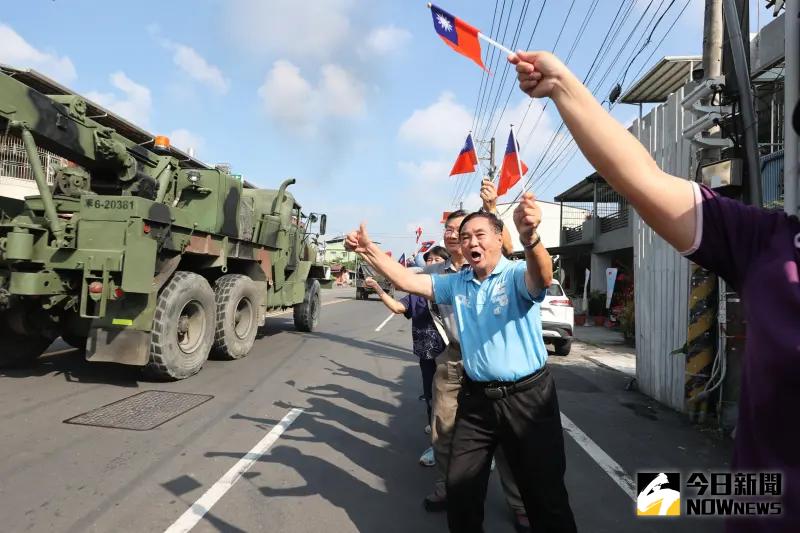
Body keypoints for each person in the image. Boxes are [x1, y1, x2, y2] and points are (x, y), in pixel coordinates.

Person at [509, 49, 800, 531]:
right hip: (763, 505)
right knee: (659, 494)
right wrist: (561, 85)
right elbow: (644, 180)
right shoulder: (770, 242)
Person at [345, 194, 576, 532]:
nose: (470, 242)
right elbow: (406, 281)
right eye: (465, 237)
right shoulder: (456, 284)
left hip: (528, 398)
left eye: (480, 235)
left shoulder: (513, 275)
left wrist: (531, 238)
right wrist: (369, 250)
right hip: (477, 398)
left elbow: (541, 277)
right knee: (461, 488)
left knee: (545, 495)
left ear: (499, 238)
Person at [364, 245, 450, 466]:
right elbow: (397, 307)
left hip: (454, 353)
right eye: (429, 259)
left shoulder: (454, 285)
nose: (432, 262)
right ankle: (437, 447)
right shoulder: (415, 293)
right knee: (432, 397)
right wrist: (379, 290)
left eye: (438, 259)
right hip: (427, 353)